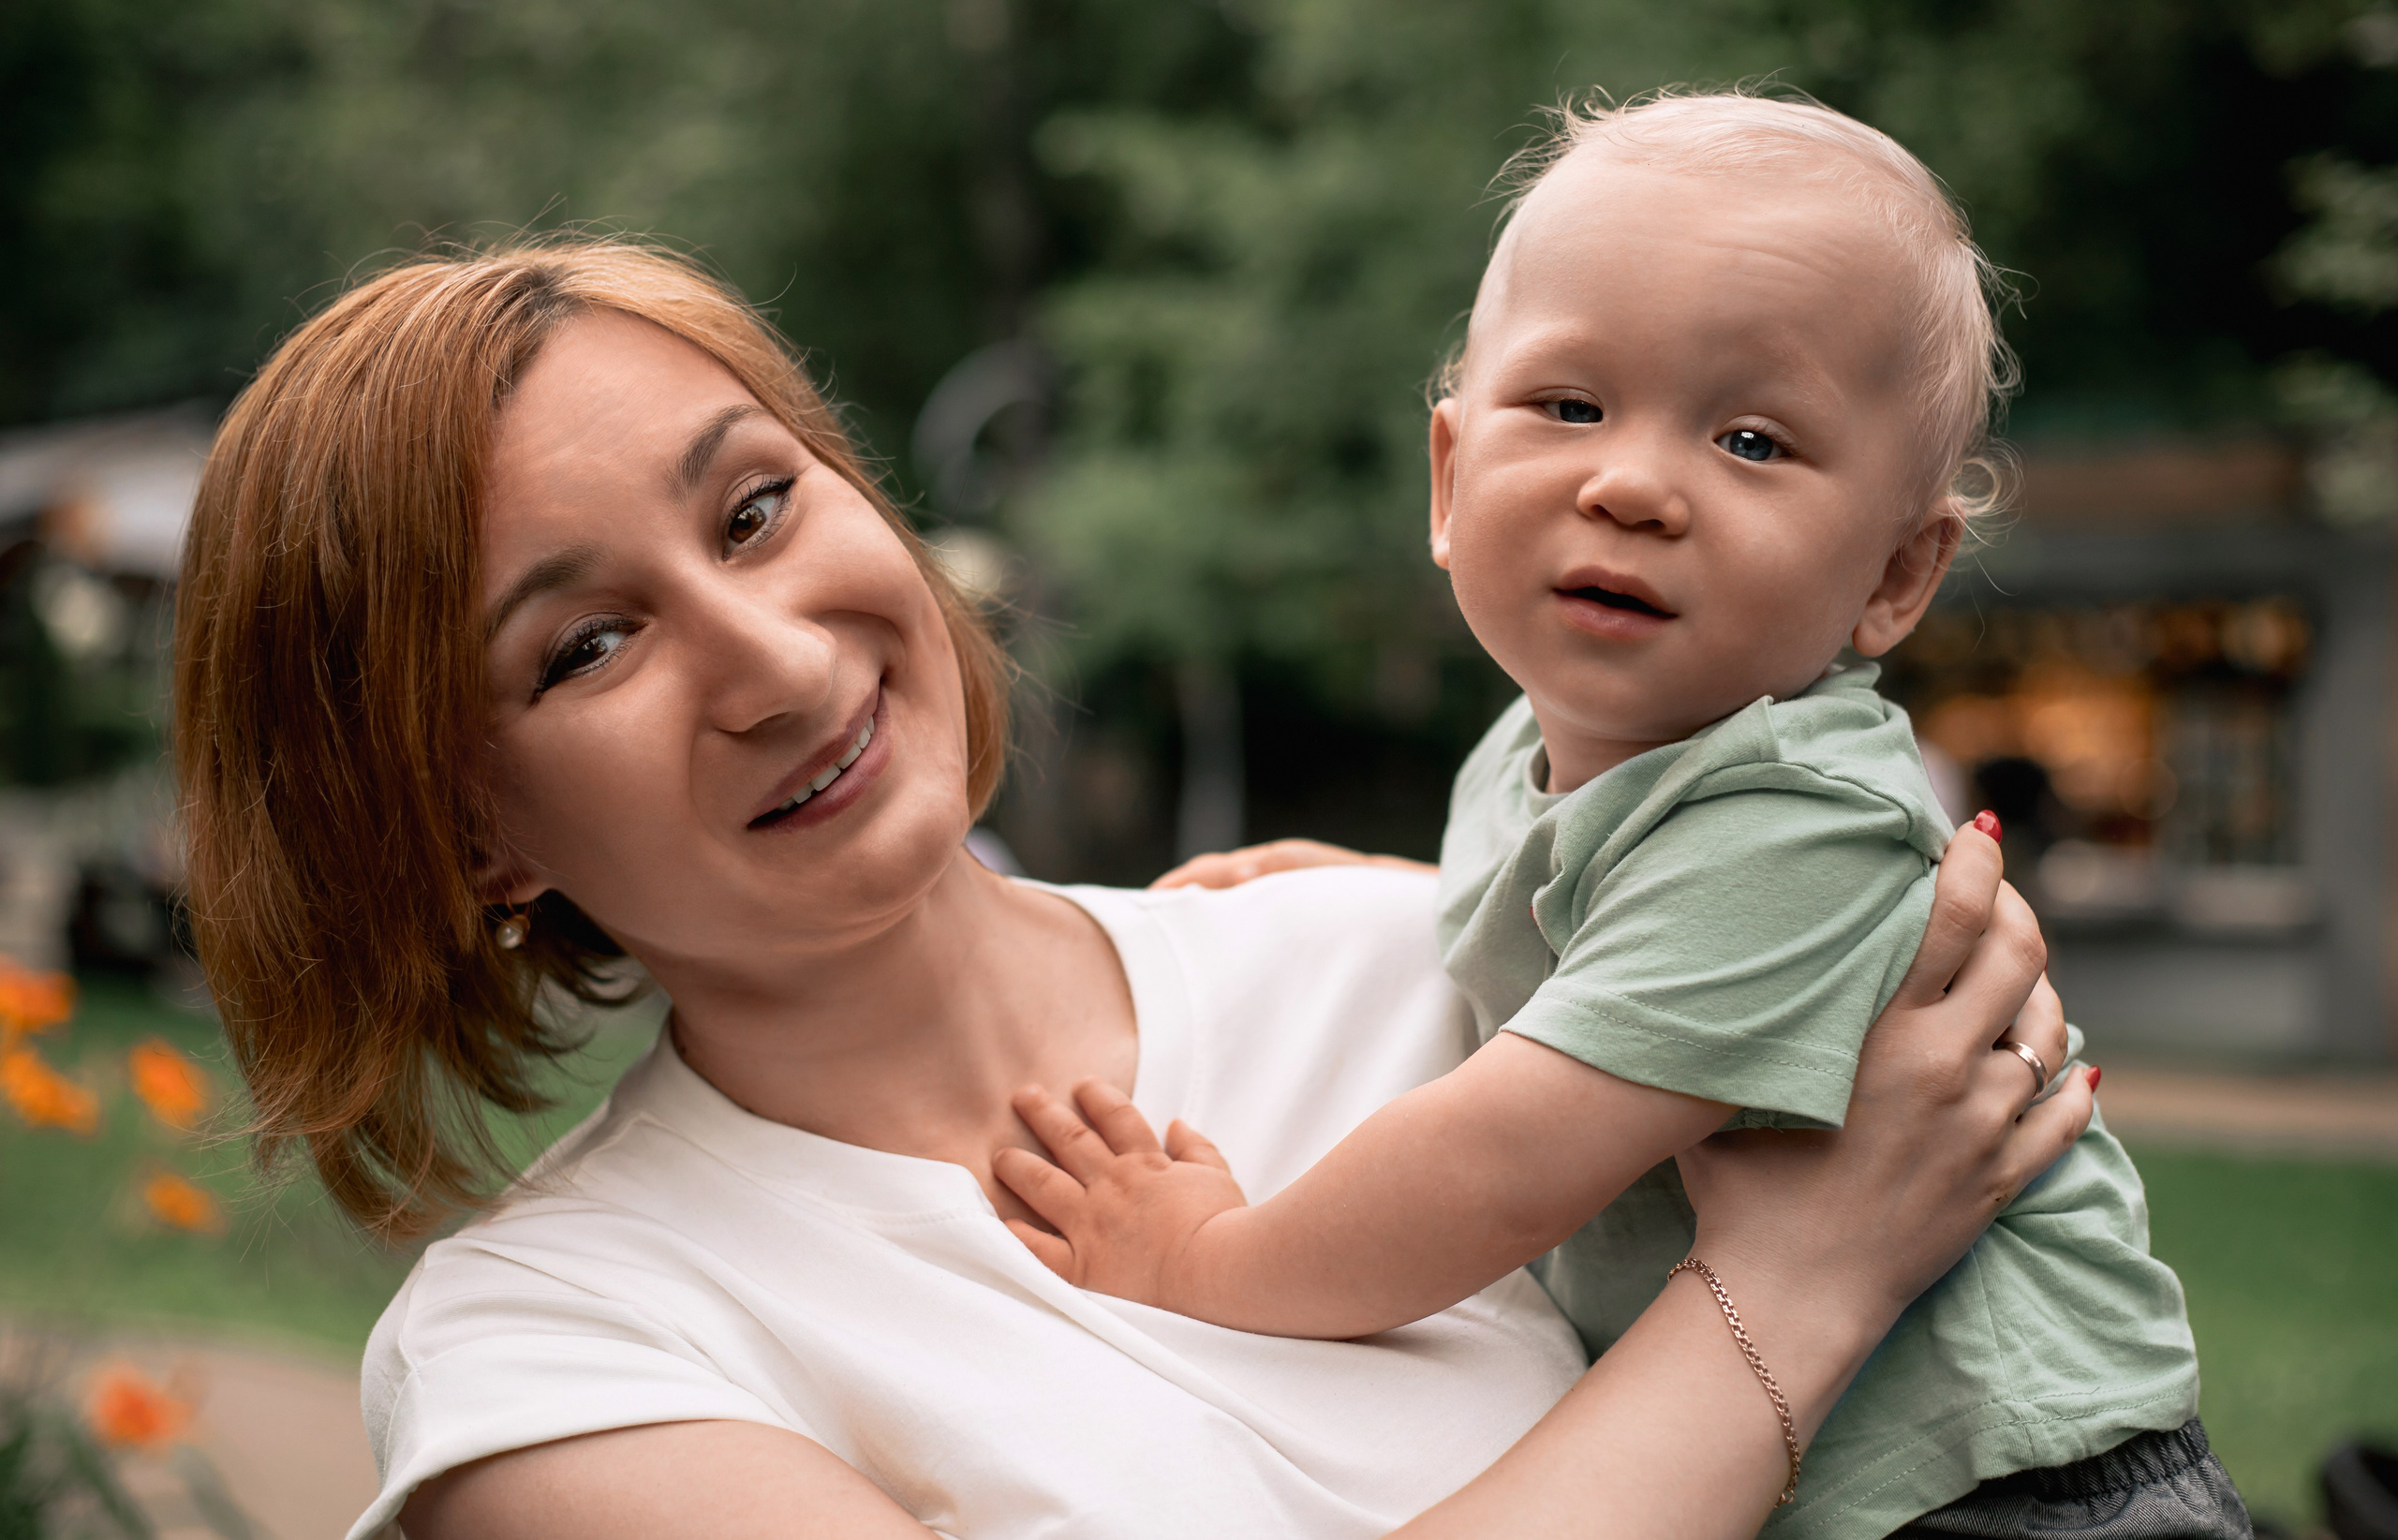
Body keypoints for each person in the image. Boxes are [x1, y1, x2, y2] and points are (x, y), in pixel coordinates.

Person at [171, 237, 2090, 1540]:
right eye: (584, 646)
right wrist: (1792, 1280)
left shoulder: (1419, 961)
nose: (771, 656)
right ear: (468, 828)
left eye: (757, 505)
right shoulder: (561, 1353)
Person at [997, 95, 2242, 1540]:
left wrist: (1212, 1257)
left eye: (1754, 441)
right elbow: (1604, 925)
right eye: (1571, 405)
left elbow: (1499, 1163)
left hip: (2024, 1492)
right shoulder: (1539, 753)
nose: (1634, 484)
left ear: (1897, 575)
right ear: (1451, 477)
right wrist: (1396, 887)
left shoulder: (1800, 815)